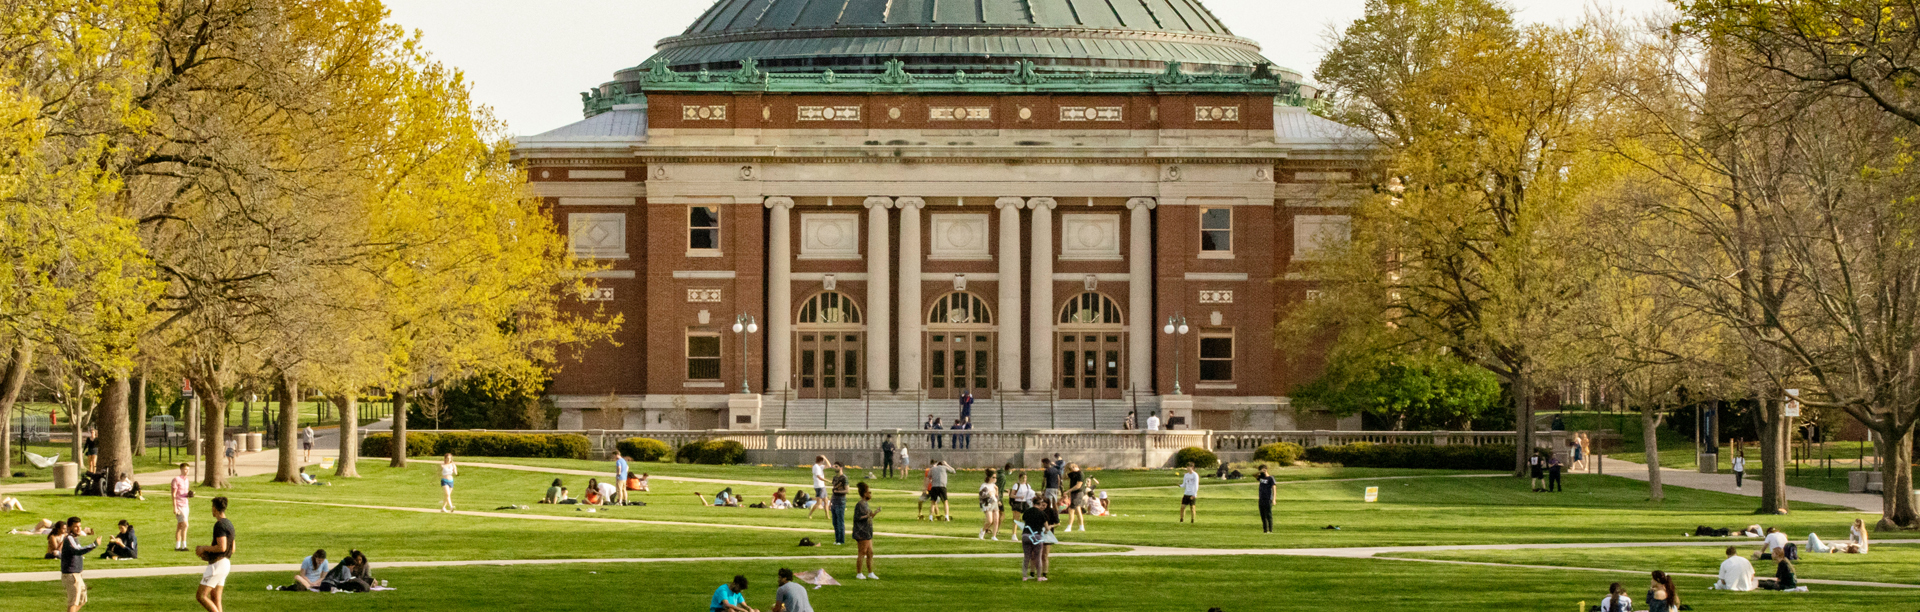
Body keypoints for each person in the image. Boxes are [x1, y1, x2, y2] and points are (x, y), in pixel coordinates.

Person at [195, 496, 235, 612]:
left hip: (217, 565)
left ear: (215, 509)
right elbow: (232, 549)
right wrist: (210, 554)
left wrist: (204, 548)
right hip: (226, 564)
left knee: (201, 596)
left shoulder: (219, 525)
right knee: (215, 597)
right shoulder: (229, 524)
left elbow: (222, 547)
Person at [60, 517, 100, 612]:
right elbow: (77, 551)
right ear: (69, 528)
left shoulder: (74, 539)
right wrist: (94, 544)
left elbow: (79, 551)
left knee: (82, 600)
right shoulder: (69, 538)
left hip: (77, 574)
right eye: (75, 527)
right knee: (73, 602)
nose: (79, 529)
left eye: (79, 526)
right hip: (71, 575)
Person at [1019, 496, 1057, 581]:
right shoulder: (1042, 514)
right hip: (1036, 536)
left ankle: (1024, 576)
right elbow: (1046, 528)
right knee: (1038, 557)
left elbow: (1024, 521)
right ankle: (1039, 576)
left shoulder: (1027, 512)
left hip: (1026, 535)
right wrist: (1049, 528)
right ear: (1039, 504)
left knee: (1027, 557)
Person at [852, 482, 879, 580]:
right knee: (862, 552)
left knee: (870, 552)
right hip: (862, 532)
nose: (870, 494)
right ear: (864, 494)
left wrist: (875, 512)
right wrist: (867, 515)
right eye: (869, 492)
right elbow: (858, 517)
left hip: (867, 531)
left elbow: (870, 516)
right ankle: (859, 573)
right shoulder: (860, 504)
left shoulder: (865, 504)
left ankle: (870, 572)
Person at [171, 463, 195, 551]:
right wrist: (175, 507)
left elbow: (184, 493)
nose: (187, 471)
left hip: (185, 504)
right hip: (179, 505)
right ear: (181, 469)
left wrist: (189, 494)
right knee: (185, 524)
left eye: (188, 469)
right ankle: (183, 545)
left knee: (180, 526)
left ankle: (179, 546)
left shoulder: (186, 480)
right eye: (185, 469)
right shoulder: (176, 480)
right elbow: (173, 494)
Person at [979, 468, 1002, 540]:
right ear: (989, 477)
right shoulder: (984, 485)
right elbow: (982, 496)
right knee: (989, 520)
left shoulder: (994, 485)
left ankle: (994, 536)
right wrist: (989, 494)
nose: (995, 479)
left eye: (995, 477)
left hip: (994, 503)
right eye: (993, 477)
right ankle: (982, 531)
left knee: (996, 520)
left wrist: (997, 491)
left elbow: (996, 496)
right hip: (987, 504)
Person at [1063, 463, 1087, 532]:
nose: (1071, 469)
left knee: (1071, 509)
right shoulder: (1073, 474)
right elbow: (1065, 477)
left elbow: (1078, 485)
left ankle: (1069, 527)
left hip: (1078, 493)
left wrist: (1068, 491)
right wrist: (1066, 469)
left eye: (1072, 468)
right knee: (1078, 509)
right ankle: (1081, 527)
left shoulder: (1080, 474)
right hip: (1074, 493)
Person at [830, 463, 850, 545]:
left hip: (841, 501)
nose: (834, 468)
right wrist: (830, 502)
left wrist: (838, 492)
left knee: (840, 521)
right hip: (834, 501)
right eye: (834, 466)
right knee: (834, 522)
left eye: (836, 466)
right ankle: (837, 539)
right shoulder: (835, 478)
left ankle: (841, 540)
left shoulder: (844, 478)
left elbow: (847, 490)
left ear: (841, 468)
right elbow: (833, 490)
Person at [1255, 464, 1277, 533]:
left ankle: (1270, 530)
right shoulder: (1261, 478)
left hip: (1268, 498)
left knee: (1268, 515)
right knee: (1263, 515)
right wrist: (1259, 472)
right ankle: (1265, 530)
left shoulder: (1270, 478)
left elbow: (1274, 488)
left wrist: (1274, 499)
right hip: (1261, 498)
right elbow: (1254, 475)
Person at [808, 455, 829, 519]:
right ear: (821, 461)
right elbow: (819, 477)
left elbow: (829, 466)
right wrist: (828, 481)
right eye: (823, 460)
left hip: (822, 486)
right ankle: (810, 514)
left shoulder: (820, 466)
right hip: (819, 486)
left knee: (826, 501)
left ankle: (827, 516)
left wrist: (825, 458)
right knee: (819, 502)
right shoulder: (816, 467)